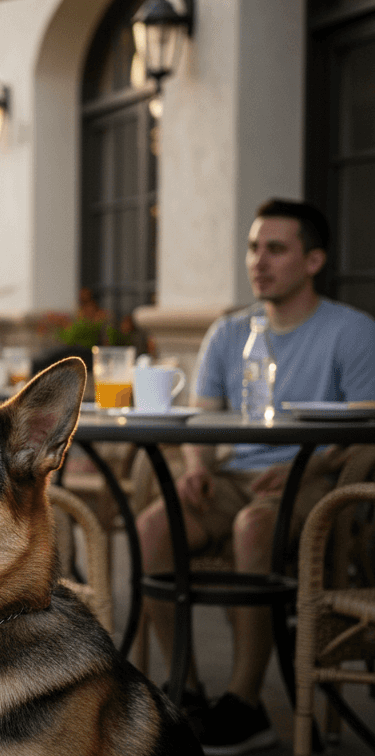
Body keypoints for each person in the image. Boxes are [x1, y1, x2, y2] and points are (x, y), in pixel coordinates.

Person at [135, 198, 375, 755]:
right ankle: (187, 695)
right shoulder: (228, 331)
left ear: (313, 261)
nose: (258, 261)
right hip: (234, 476)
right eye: (252, 248)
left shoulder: (352, 331)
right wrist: (197, 468)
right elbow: (202, 418)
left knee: (253, 528)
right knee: (150, 528)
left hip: (314, 479)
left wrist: (305, 466)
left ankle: (244, 705)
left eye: (276, 249)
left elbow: (366, 430)